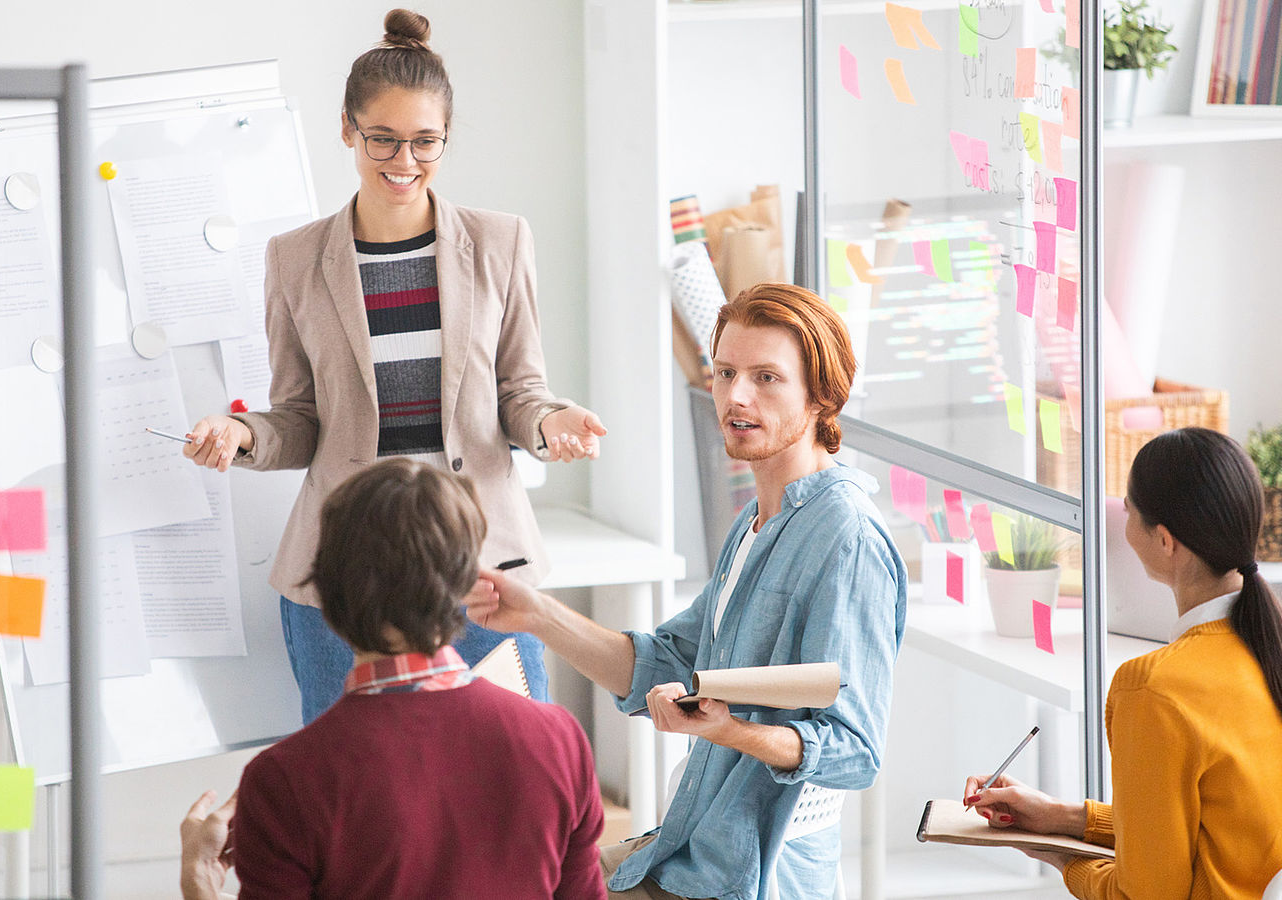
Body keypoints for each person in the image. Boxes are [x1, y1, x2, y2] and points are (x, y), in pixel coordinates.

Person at [179, 8, 607, 721]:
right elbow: (299, 417)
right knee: (348, 796)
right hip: (344, 573)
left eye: (424, 142)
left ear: (446, 139)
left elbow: (520, 391)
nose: (402, 162)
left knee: (509, 769)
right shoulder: (295, 259)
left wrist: (552, 422)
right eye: (381, 138)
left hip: (478, 563)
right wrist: (246, 436)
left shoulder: (501, 242)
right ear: (346, 128)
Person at [470, 282, 907, 900]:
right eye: (725, 372)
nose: (735, 396)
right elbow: (665, 662)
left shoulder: (846, 538)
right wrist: (536, 614)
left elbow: (853, 751)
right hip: (691, 841)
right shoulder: (756, 521)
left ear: (820, 395)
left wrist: (727, 731)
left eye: (766, 378)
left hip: (749, 877)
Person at [962, 427, 1282, 899]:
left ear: (1166, 541)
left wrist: (1063, 858)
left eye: (1128, 510)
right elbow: (1222, 828)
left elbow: (1144, 895)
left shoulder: (1154, 689)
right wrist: (1068, 819)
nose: (1122, 521)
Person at [184, 458, 606, 900]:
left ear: (324, 594)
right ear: (468, 583)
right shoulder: (560, 739)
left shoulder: (283, 780)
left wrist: (197, 883)